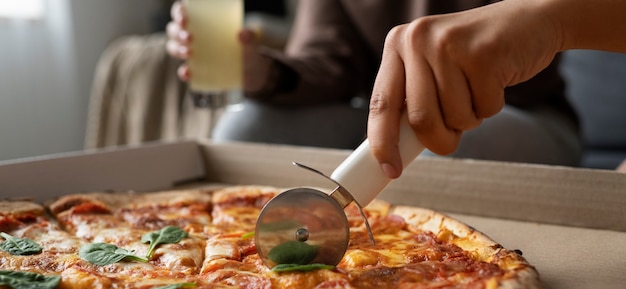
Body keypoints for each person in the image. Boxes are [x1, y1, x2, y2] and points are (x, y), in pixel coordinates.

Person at [166, 0, 582, 166]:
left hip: (514, 112)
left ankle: (424, 263)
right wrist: (259, 70)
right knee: (245, 125)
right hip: (378, 114)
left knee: (441, 143)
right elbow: (329, 63)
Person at [361, 0, 626, 178]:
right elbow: (329, 54)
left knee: (434, 159)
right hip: (383, 104)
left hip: (528, 104)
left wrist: (549, 18)